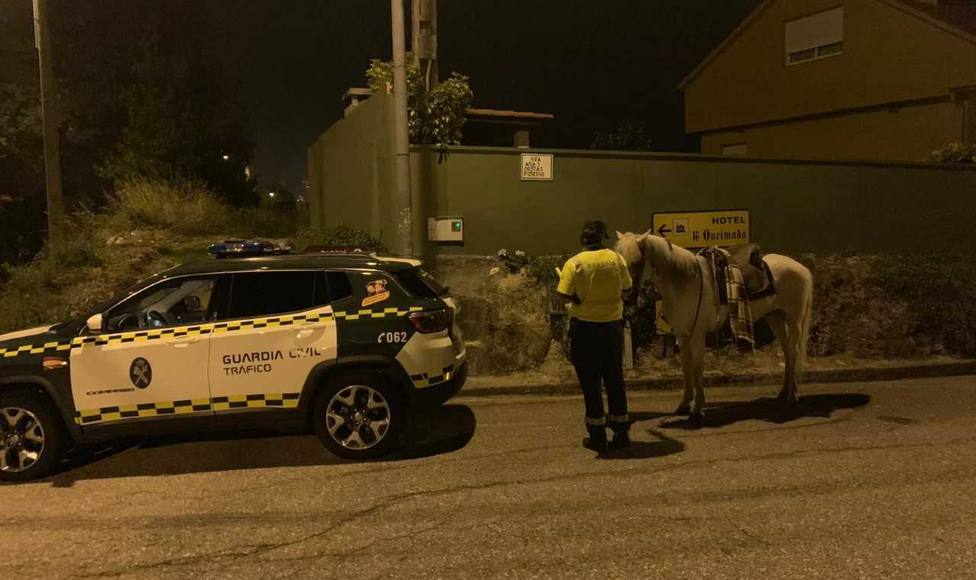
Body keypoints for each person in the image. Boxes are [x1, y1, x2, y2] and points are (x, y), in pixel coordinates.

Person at [557, 220, 633, 453]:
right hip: (611, 329)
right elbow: (627, 289)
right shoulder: (615, 259)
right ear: (603, 238)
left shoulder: (574, 263)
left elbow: (563, 296)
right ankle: (621, 433)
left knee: (591, 384)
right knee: (614, 380)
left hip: (585, 330)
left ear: (582, 240)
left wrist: (575, 302)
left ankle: (597, 436)